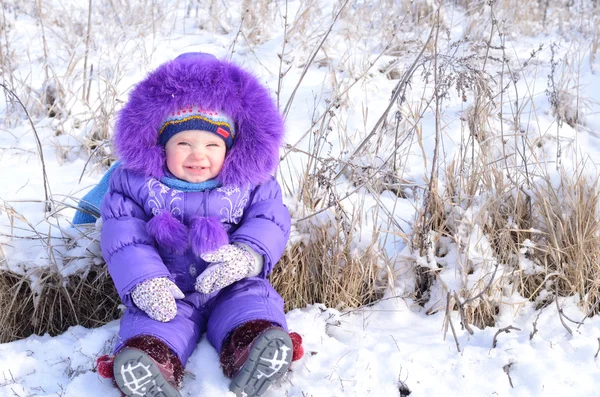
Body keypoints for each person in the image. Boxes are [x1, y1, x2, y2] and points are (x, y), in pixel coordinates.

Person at [93, 52, 303, 397]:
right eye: (183, 143)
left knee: (251, 305)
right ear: (161, 146)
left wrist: (248, 255)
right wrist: (145, 280)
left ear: (230, 147)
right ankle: (150, 361)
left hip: (230, 282)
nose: (198, 155)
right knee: (154, 322)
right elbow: (124, 235)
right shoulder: (135, 184)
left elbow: (270, 218)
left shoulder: (253, 182)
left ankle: (254, 346)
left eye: (211, 144)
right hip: (168, 287)